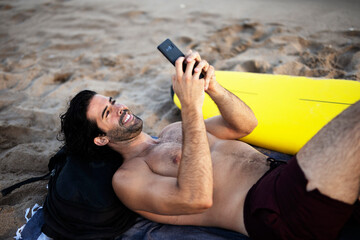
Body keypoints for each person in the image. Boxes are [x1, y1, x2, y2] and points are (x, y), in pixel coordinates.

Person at [67, 51, 359, 240]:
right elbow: (196, 198)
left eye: (114, 101)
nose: (120, 108)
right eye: (108, 113)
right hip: (274, 210)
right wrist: (192, 106)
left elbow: (245, 125)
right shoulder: (129, 177)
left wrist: (213, 87)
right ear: (101, 139)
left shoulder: (174, 129)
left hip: (284, 176)